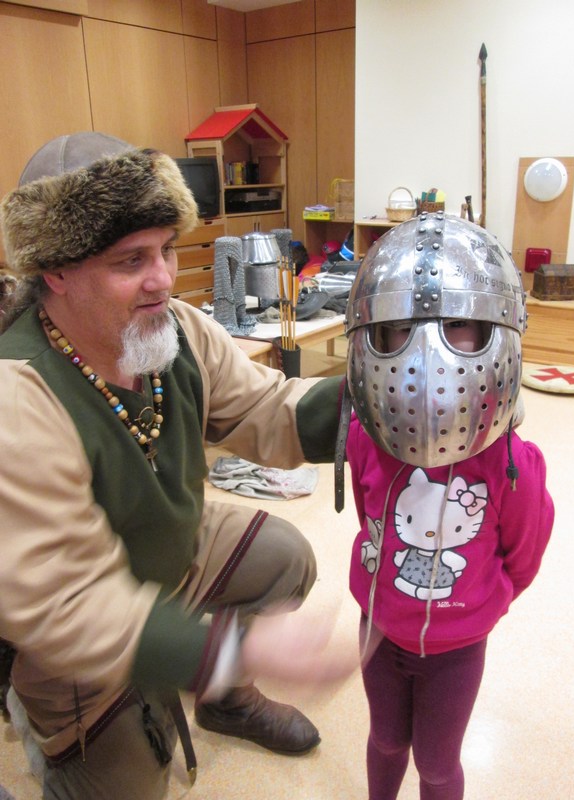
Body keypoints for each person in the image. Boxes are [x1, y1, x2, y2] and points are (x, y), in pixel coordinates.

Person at [0, 132, 352, 800]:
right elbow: (70, 605)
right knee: (132, 784)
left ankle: (227, 703)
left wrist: (376, 400)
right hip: (74, 636)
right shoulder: (16, 396)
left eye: (166, 248)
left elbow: (267, 409)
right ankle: (49, 723)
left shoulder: (178, 329)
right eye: (130, 260)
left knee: (284, 557)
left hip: (173, 557)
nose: (163, 278)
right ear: (56, 272)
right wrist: (224, 651)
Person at [341, 213, 554, 799]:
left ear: (497, 330)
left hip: (457, 649)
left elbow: (523, 554)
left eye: (458, 324)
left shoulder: (512, 464)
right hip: (380, 631)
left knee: (437, 765)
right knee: (386, 739)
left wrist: (480, 603)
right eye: (399, 328)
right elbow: (372, 523)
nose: (428, 357)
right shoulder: (365, 438)